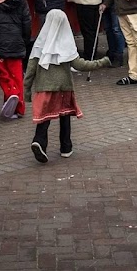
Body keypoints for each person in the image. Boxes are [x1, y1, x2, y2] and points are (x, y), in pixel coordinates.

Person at [24, 10, 109, 163]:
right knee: (65, 116)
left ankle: (39, 140)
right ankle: (66, 147)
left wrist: (27, 90)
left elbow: (30, 70)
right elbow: (81, 65)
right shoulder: (67, 44)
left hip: (44, 87)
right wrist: (101, 62)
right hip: (64, 88)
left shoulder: (39, 44)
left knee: (45, 117)